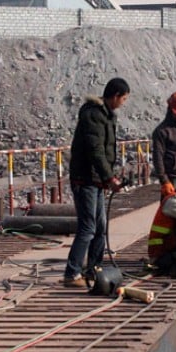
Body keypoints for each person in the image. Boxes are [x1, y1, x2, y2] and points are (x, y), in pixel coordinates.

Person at [63, 77, 131, 287]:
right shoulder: (93, 115)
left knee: (100, 227)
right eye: (124, 98)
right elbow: (96, 151)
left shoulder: (107, 116)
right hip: (85, 179)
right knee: (88, 227)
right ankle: (72, 273)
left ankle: (94, 269)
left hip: (96, 180)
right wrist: (109, 177)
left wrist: (107, 177)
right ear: (115, 96)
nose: (124, 103)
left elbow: (104, 150)